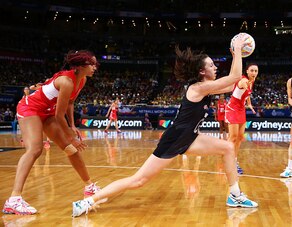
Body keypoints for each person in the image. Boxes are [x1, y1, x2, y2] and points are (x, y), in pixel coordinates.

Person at [71, 34, 258, 217]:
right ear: (201, 72)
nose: (215, 67)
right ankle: (87, 201)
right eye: (211, 65)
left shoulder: (207, 87)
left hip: (189, 138)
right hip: (174, 140)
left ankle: (235, 195)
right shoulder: (198, 88)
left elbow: (233, 84)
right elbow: (233, 77)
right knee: (138, 180)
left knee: (227, 148)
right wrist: (238, 52)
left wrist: (239, 62)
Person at [3, 50, 103, 215]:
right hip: (31, 108)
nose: (95, 67)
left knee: (71, 149)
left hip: (48, 111)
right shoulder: (66, 81)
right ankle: (13, 200)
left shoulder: (82, 80)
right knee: (35, 149)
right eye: (91, 64)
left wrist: (72, 125)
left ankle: (89, 186)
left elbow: (70, 104)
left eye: (95, 64)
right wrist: (72, 137)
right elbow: (59, 114)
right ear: (79, 66)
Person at [225, 64, 258, 175]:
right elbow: (244, 86)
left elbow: (247, 95)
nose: (254, 73)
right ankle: (228, 162)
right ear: (247, 72)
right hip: (232, 108)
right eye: (252, 71)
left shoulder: (251, 82)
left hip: (241, 109)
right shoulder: (244, 80)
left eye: (256, 71)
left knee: (239, 137)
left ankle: (234, 161)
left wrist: (250, 105)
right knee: (233, 137)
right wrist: (244, 84)